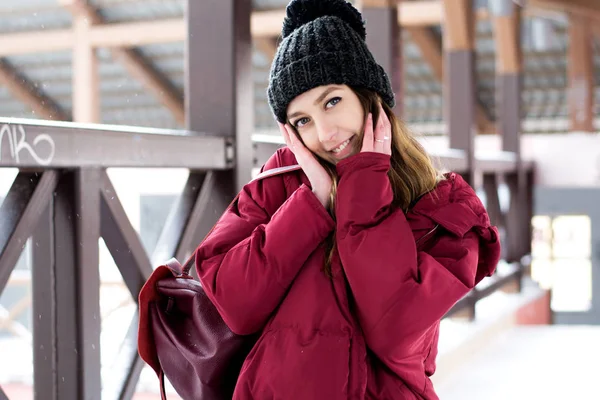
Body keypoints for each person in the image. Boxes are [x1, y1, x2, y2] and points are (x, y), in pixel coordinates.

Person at [194, 0, 501, 398]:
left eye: (332, 101)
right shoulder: (282, 181)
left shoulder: (444, 206)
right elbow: (233, 303)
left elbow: (395, 331)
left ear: (366, 93)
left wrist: (365, 188)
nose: (324, 133)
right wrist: (309, 208)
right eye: (302, 120)